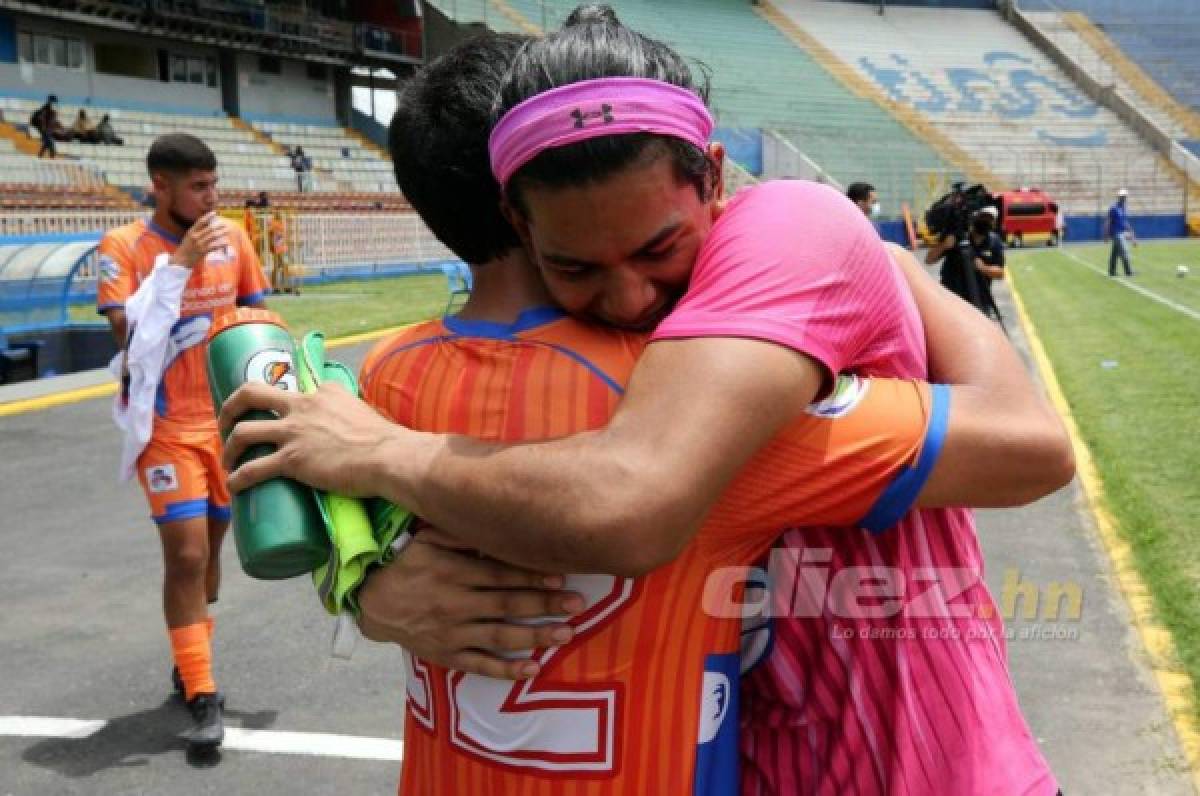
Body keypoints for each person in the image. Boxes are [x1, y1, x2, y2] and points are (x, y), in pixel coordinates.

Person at [221, 8, 1069, 793]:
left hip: (914, 765)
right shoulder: (634, 386)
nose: (629, 300)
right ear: (518, 221)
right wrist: (373, 588)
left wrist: (367, 503)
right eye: (578, 266)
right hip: (768, 757)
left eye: (659, 247)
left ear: (713, 179)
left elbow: (632, 498)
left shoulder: (396, 380)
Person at [97, 133, 270, 754]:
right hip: (165, 428)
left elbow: (258, 317)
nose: (211, 197)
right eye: (198, 186)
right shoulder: (124, 248)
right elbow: (129, 340)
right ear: (160, 187)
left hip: (223, 423)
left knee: (215, 548)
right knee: (189, 556)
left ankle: (189, 651)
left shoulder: (234, 240)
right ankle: (202, 693)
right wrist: (178, 268)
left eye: (214, 184)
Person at [967, 206, 1006, 322]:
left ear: (993, 223)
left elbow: (1000, 273)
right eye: (983, 217)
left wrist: (983, 268)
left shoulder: (995, 241)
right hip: (956, 299)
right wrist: (944, 245)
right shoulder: (961, 238)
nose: (985, 221)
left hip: (982, 300)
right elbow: (929, 259)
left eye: (989, 219)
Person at [1106, 188, 1137, 277]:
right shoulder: (1113, 208)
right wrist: (1106, 234)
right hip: (1116, 233)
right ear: (1119, 197)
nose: (1124, 198)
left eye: (1125, 197)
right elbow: (1108, 221)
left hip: (1121, 233)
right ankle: (1128, 271)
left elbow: (1124, 222)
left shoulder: (1123, 208)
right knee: (1124, 251)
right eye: (1122, 197)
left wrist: (1132, 234)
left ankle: (1111, 271)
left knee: (1114, 253)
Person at [30, 94, 58, 158]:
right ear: (51, 101)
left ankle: (40, 157)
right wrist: (44, 128)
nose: (56, 103)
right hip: (44, 129)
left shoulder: (49, 108)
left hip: (47, 129)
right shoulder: (46, 108)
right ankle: (52, 158)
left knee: (47, 143)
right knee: (50, 143)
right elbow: (42, 118)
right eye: (54, 101)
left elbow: (51, 120)